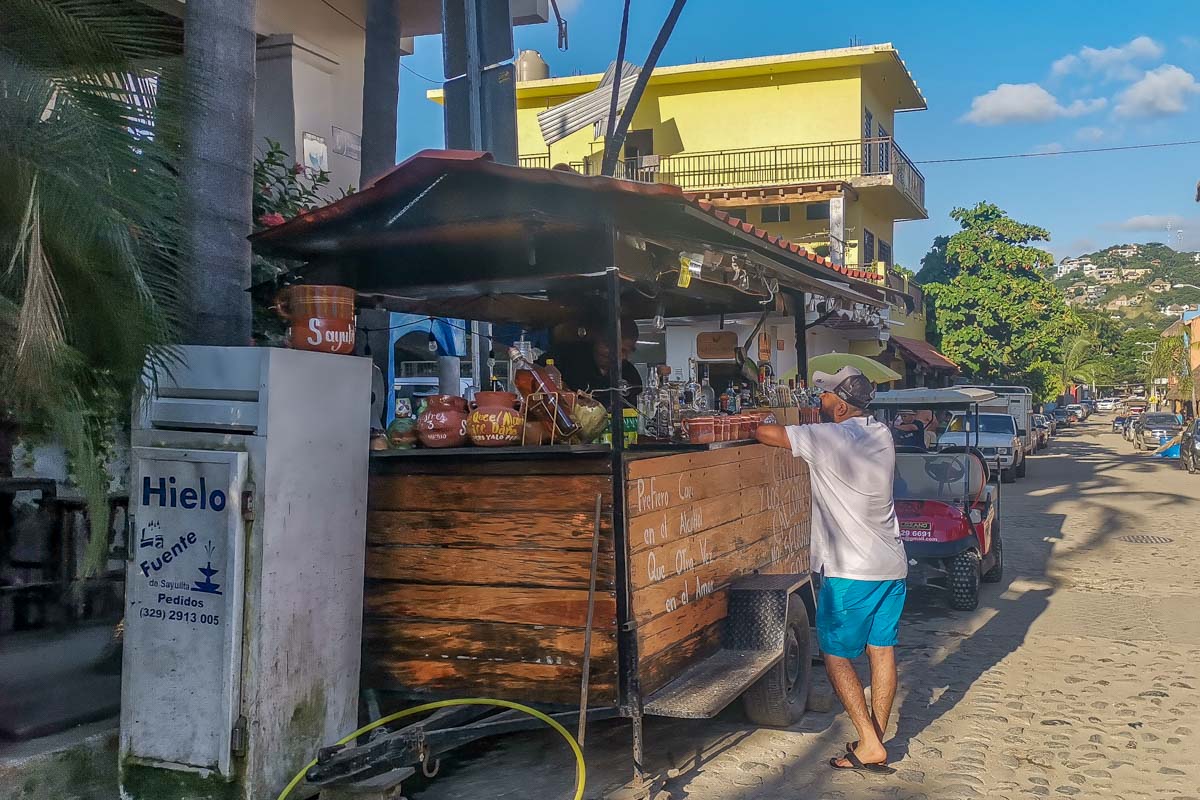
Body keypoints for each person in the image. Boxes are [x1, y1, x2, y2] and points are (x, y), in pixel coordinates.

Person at [755, 366, 907, 774]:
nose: (817, 402)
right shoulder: (880, 433)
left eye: (822, 397)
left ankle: (870, 743)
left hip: (851, 570)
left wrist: (769, 414)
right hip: (891, 565)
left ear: (840, 405)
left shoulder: (829, 437)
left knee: (836, 655)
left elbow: (765, 435)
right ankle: (873, 736)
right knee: (882, 650)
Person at [543, 315, 643, 410]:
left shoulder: (630, 375)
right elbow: (533, 373)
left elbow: (637, 412)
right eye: (607, 345)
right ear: (596, 338)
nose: (613, 354)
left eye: (622, 351)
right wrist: (564, 394)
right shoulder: (566, 356)